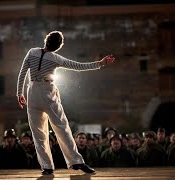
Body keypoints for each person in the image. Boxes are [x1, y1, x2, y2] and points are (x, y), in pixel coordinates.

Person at [16, 30, 115, 175]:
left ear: (46, 40)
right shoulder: (56, 58)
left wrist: (19, 93)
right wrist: (100, 63)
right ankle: (76, 162)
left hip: (32, 92)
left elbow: (22, 73)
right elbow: (78, 66)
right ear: (59, 46)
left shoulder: (32, 52)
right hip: (47, 92)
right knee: (62, 128)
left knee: (38, 133)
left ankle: (47, 166)